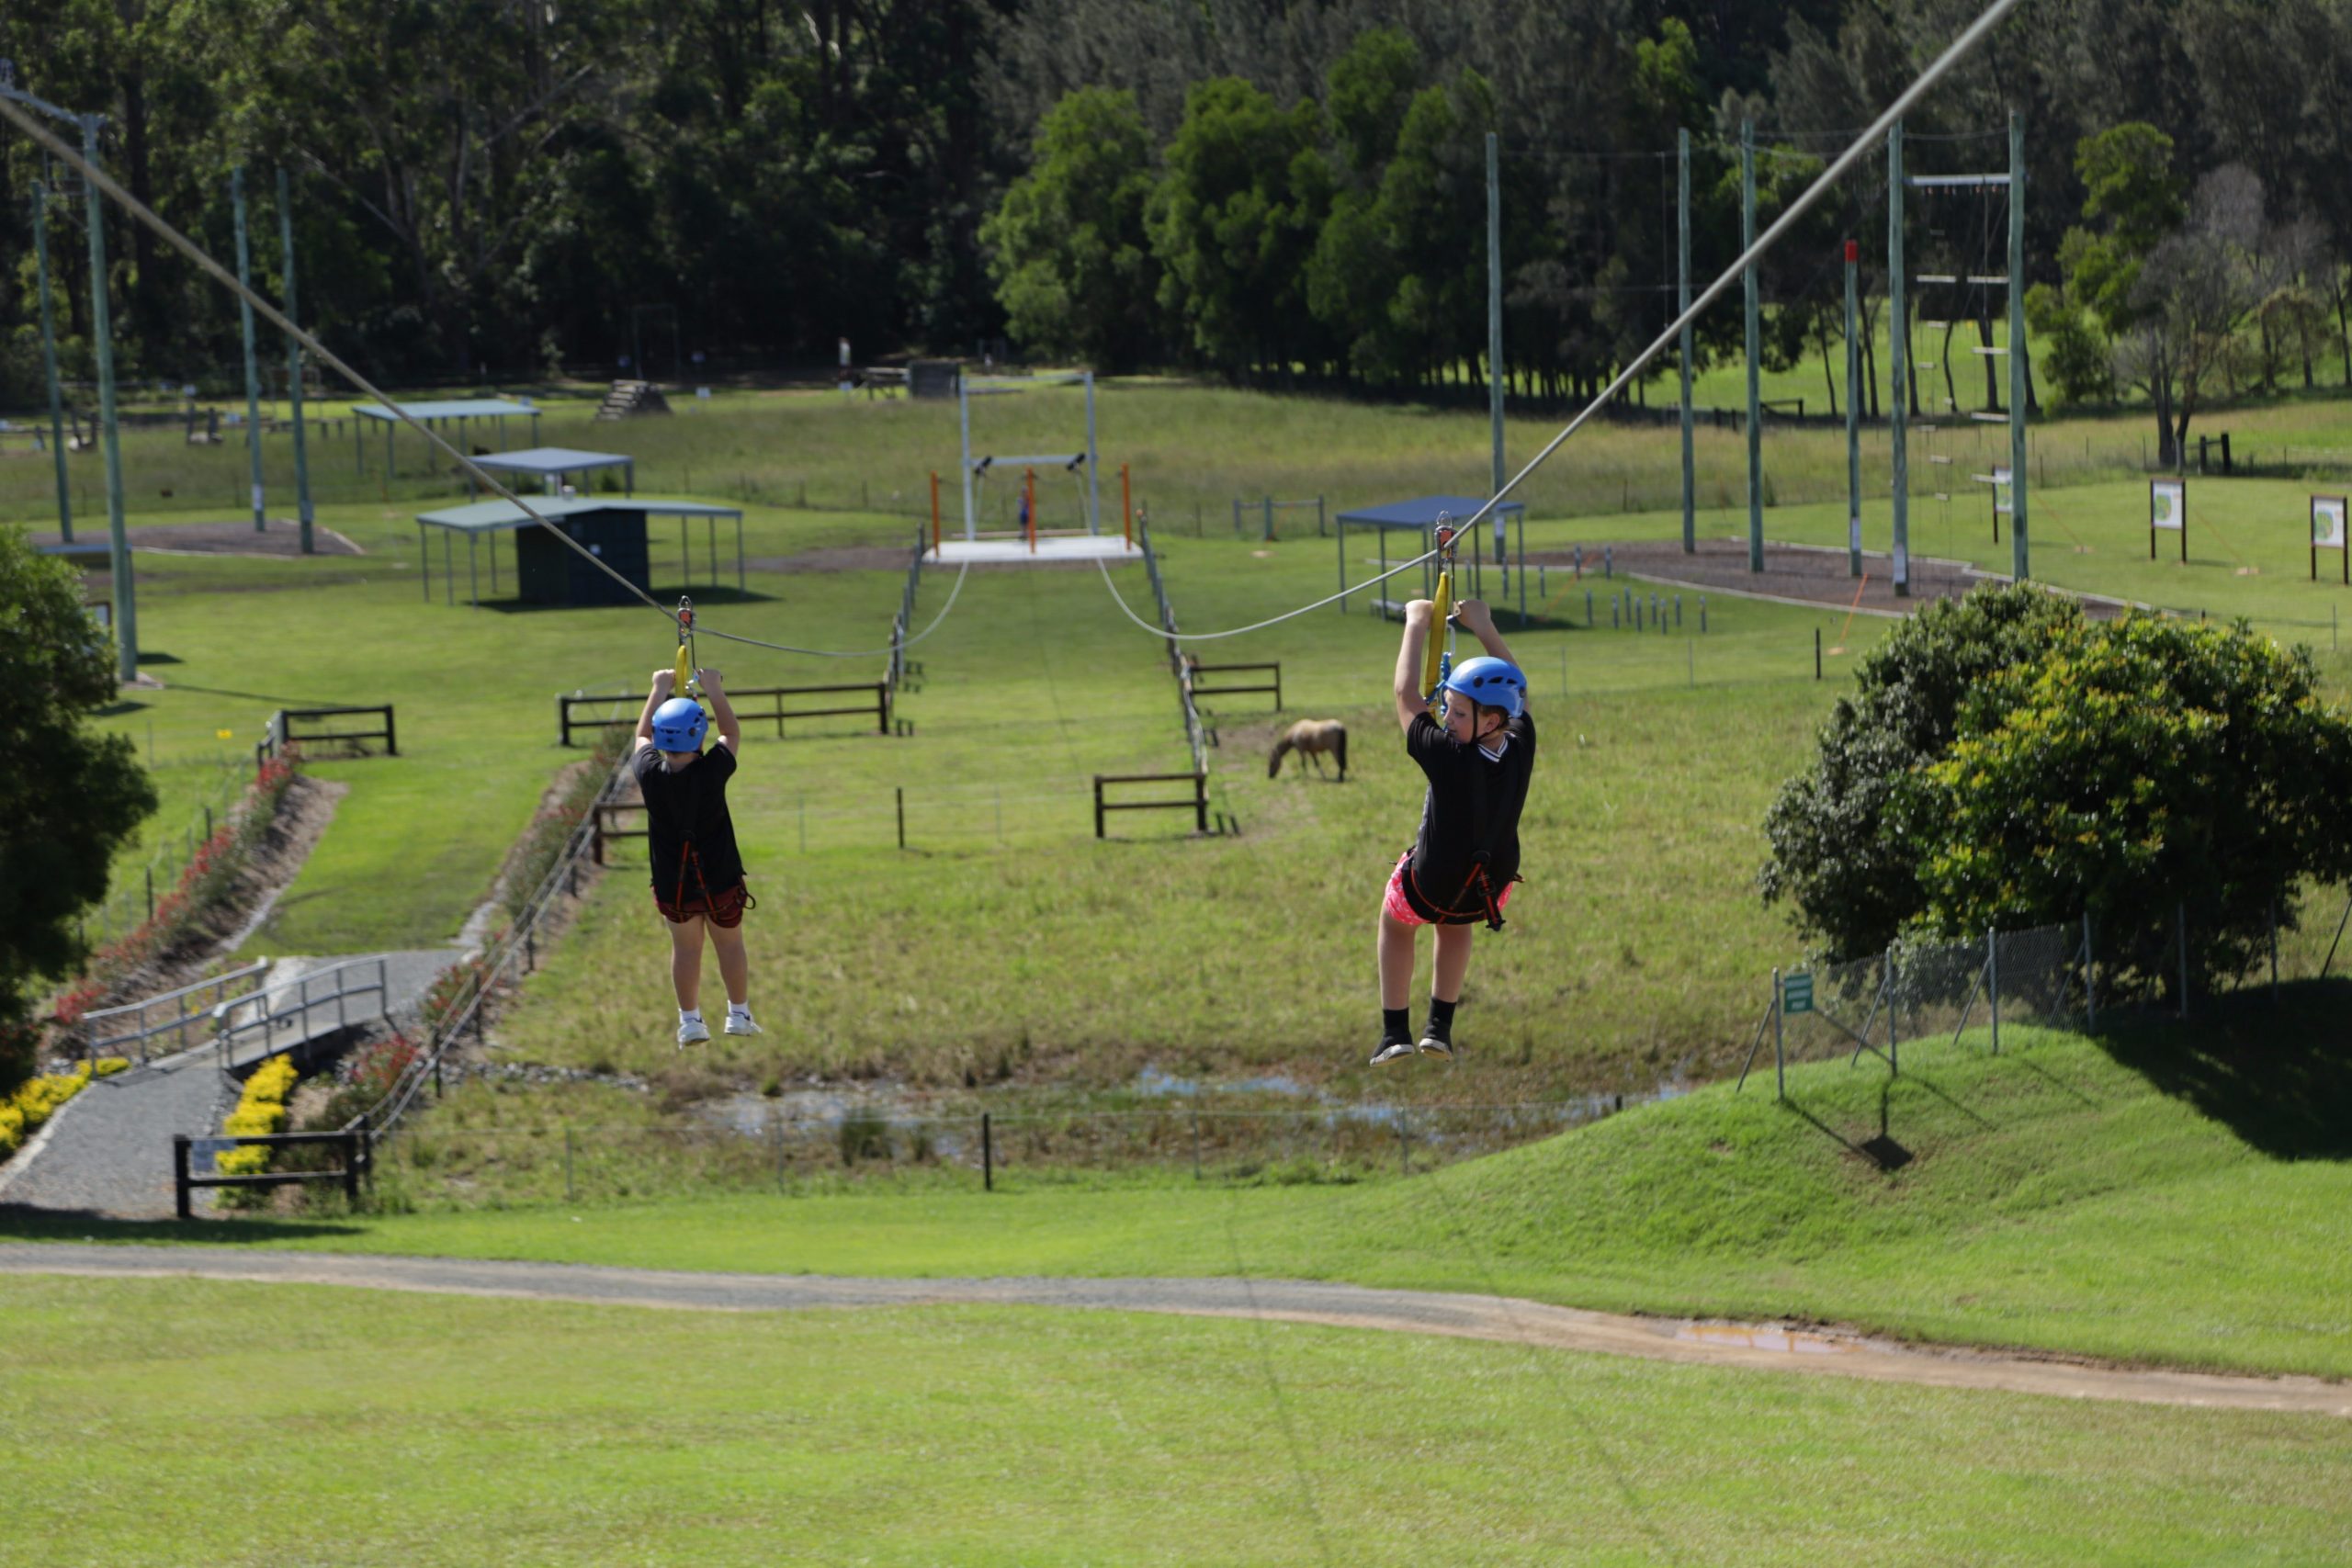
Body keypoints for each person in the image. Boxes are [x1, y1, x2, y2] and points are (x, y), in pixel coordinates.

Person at [1371, 598, 1534, 1066]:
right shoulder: (1522, 744)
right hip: (1490, 889)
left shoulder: (1445, 755)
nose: (1447, 718)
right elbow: (1519, 689)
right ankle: (1439, 1026)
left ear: (1490, 721)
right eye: (1447, 708)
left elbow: (1405, 697)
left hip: (1434, 883)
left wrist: (1416, 622)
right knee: (1456, 923)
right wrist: (1484, 626)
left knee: (1396, 922)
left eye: (1458, 713)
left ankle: (1394, 1031)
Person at [632, 667, 760, 1046]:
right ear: (697, 736)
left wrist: (657, 689)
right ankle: (738, 1013)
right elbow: (731, 733)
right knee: (730, 945)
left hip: (674, 885)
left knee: (686, 949)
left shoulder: (649, 773)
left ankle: (690, 1021)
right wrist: (715, 690)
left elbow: (640, 736)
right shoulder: (712, 772)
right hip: (719, 879)